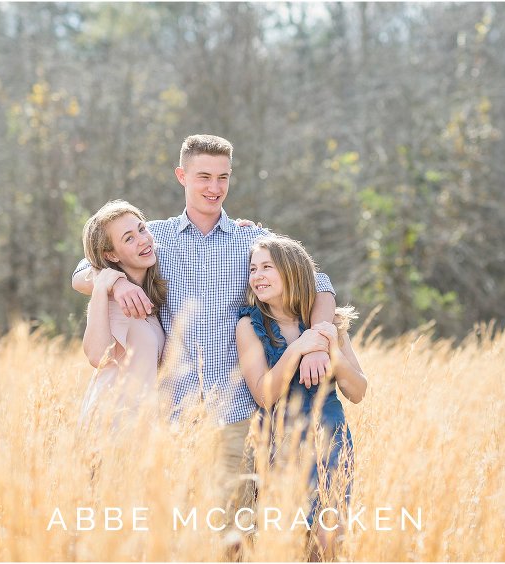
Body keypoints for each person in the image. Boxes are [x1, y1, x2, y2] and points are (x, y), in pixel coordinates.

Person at [71, 134, 338, 544]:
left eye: (223, 177)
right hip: (170, 418)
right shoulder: (154, 239)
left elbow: (318, 281)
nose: (214, 188)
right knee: (176, 538)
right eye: (203, 177)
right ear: (182, 176)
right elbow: (83, 269)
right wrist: (116, 284)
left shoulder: (251, 241)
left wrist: (319, 336)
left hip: (235, 415)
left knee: (234, 536)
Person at [236, 234, 367, 559]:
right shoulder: (250, 326)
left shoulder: (327, 324)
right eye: (253, 269)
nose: (258, 276)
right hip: (280, 445)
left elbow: (358, 391)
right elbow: (264, 394)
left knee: (327, 544)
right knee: (288, 541)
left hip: (330, 442)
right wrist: (297, 348)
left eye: (267, 267)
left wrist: (329, 350)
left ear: (292, 271)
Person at [78, 200, 166, 428]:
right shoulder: (111, 302)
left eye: (141, 229)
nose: (143, 240)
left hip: (138, 430)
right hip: (108, 429)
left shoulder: (142, 298)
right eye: (129, 238)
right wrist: (103, 285)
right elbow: (98, 357)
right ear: (112, 256)